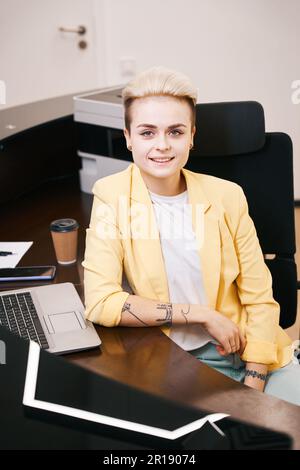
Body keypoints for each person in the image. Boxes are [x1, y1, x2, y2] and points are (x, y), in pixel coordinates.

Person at [82, 65, 300, 406]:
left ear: (192, 136)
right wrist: (202, 314)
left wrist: (254, 382)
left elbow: (259, 298)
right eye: (147, 132)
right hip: (178, 361)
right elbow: (100, 302)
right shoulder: (112, 196)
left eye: (176, 132)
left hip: (253, 349)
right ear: (127, 137)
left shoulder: (228, 196)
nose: (163, 146)